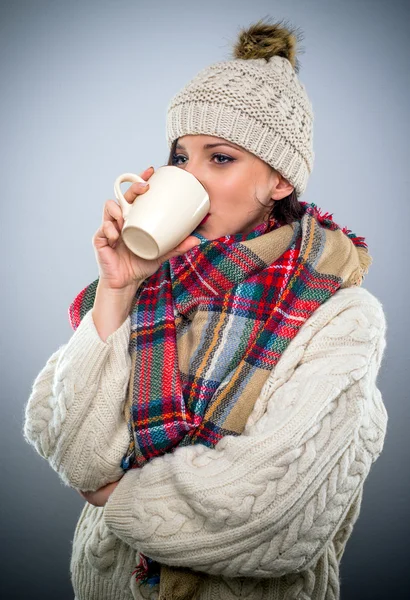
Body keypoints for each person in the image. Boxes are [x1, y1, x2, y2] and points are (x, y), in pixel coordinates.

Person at [23, 17, 388, 600]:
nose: (189, 176)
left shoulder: (341, 317)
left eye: (219, 158)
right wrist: (117, 285)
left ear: (278, 180)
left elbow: (268, 516)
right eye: (180, 156)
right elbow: (72, 448)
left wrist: (119, 496)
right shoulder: (152, 283)